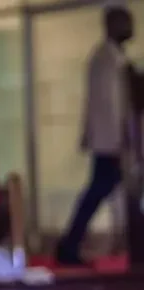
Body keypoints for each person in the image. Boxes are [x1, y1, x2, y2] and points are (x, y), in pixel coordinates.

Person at [56, 6, 134, 265]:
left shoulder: (113, 57)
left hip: (113, 140)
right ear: (111, 26)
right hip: (111, 142)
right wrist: (123, 137)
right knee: (97, 191)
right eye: (125, 23)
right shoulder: (105, 59)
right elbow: (109, 104)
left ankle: (74, 243)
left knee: (105, 192)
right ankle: (69, 244)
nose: (131, 28)